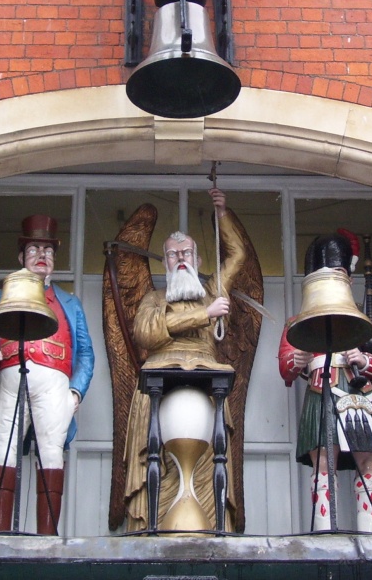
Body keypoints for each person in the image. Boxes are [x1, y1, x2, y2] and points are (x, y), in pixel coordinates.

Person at [122, 188, 244, 533]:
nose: (181, 259)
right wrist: (203, 315)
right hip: (156, 390)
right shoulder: (154, 298)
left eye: (187, 252)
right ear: (165, 261)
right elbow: (147, 333)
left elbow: (236, 255)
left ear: (198, 259)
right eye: (173, 255)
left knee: (206, 467)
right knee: (157, 467)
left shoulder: (212, 290)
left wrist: (222, 214)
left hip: (208, 389)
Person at [0, 215, 95, 535]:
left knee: (51, 452)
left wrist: (75, 392)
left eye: (48, 251)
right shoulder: (2, 296)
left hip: (55, 386)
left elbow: (86, 354)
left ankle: (48, 536)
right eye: (34, 249)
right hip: (12, 381)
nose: (42, 255)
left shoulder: (69, 302)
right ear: (21, 257)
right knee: (4, 449)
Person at [277, 231, 372, 533]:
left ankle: (369, 532)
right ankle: (323, 529)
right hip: (321, 391)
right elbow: (285, 366)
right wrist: (298, 361)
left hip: (360, 396)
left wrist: (364, 360)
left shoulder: (363, 319)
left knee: (368, 462)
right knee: (323, 464)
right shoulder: (297, 323)